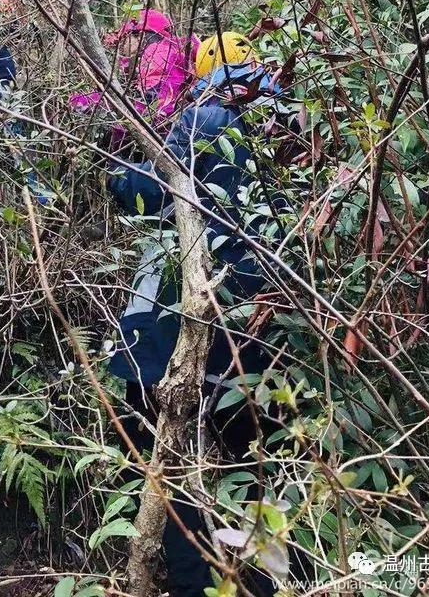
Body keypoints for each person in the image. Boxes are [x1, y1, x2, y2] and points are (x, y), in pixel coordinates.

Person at [106, 30, 295, 597]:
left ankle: (196, 583)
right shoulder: (293, 128)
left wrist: (118, 160)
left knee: (185, 488)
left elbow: (136, 190)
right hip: (267, 339)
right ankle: (266, 580)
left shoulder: (205, 122)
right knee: (259, 476)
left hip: (184, 340)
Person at [70, 9, 199, 143]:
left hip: (164, 139)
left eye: (125, 38)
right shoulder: (167, 53)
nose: (121, 46)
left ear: (140, 36)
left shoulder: (158, 55)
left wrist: (82, 101)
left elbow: (151, 109)